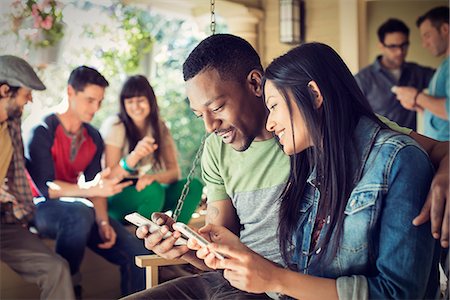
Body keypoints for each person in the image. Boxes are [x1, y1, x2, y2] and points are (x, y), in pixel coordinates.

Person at [125, 34, 449, 299]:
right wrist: (188, 248)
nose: (209, 126)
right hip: (253, 280)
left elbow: (425, 152)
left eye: (217, 107)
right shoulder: (313, 163)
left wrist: (446, 171)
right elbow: (233, 248)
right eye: (199, 116)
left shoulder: (356, 143)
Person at [25, 66, 147, 297]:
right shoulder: (42, 130)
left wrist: (102, 222)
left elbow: (96, 185)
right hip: (40, 208)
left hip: (78, 211)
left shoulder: (93, 136)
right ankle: (70, 290)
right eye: (90, 100)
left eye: (99, 102)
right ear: (70, 92)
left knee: (138, 254)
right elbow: (45, 189)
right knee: (80, 211)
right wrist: (89, 189)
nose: (95, 108)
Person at [0, 55, 74, 299]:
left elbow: (16, 176)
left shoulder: (11, 125)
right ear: (4, 91)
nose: (30, 99)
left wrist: (23, 216)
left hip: (4, 224)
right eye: (25, 93)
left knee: (57, 269)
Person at [100, 75, 203, 225]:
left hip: (145, 191)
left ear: (150, 100)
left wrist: (154, 178)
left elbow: (174, 173)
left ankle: (176, 234)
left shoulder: (159, 127)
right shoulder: (116, 125)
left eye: (140, 100)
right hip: (117, 198)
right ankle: (145, 241)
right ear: (123, 104)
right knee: (153, 190)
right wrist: (134, 156)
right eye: (130, 101)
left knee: (192, 186)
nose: (135, 107)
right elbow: (109, 177)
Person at [355, 18, 435, 130]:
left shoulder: (417, 72)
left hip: (412, 143)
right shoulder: (362, 79)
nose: (400, 52)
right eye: (393, 46)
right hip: (380, 144)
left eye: (404, 45)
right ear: (381, 46)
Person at [393, 6, 449, 141]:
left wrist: (417, 96)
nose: (424, 44)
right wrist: (420, 105)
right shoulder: (444, 66)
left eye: (427, 35)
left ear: (445, 29)